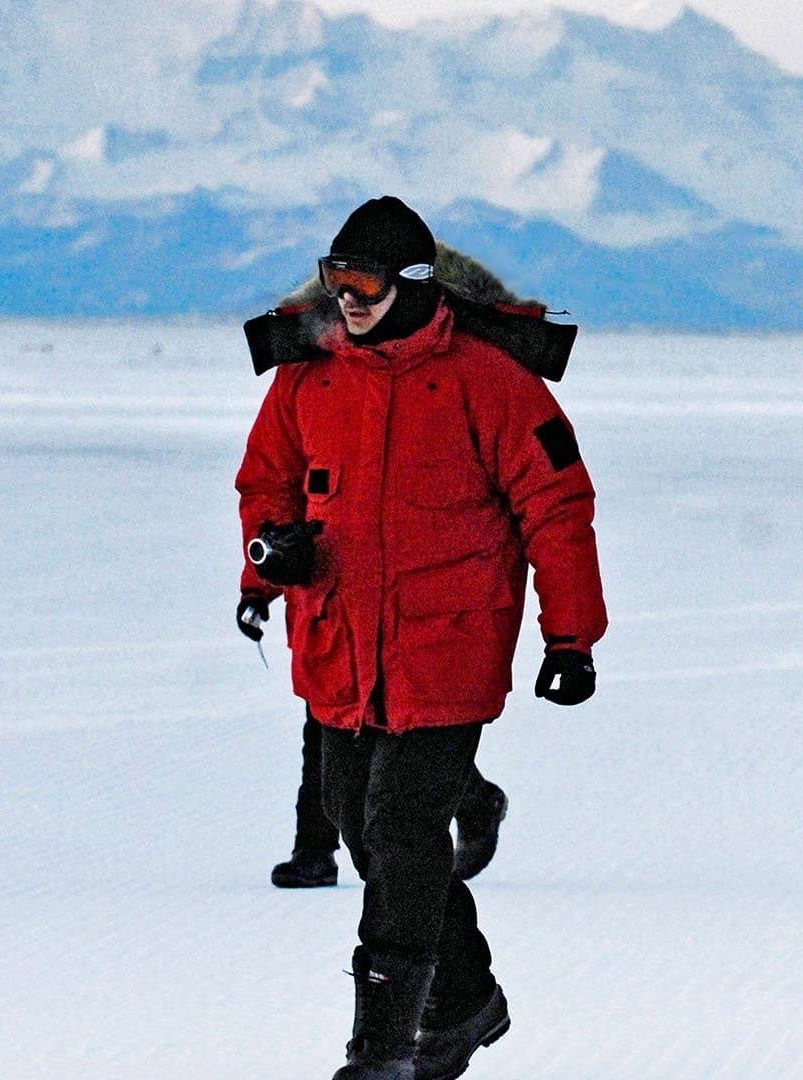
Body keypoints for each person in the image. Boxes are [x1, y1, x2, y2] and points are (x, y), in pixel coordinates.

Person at [236, 196, 607, 1080]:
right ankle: (468, 997)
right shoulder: (308, 377)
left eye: (362, 284)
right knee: (353, 824)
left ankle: (384, 1049)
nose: (347, 301)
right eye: (336, 281)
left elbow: (558, 509)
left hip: (448, 648)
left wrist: (572, 639)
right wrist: (266, 565)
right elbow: (266, 481)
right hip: (338, 643)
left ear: (410, 286)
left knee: (401, 833)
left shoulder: (492, 382)